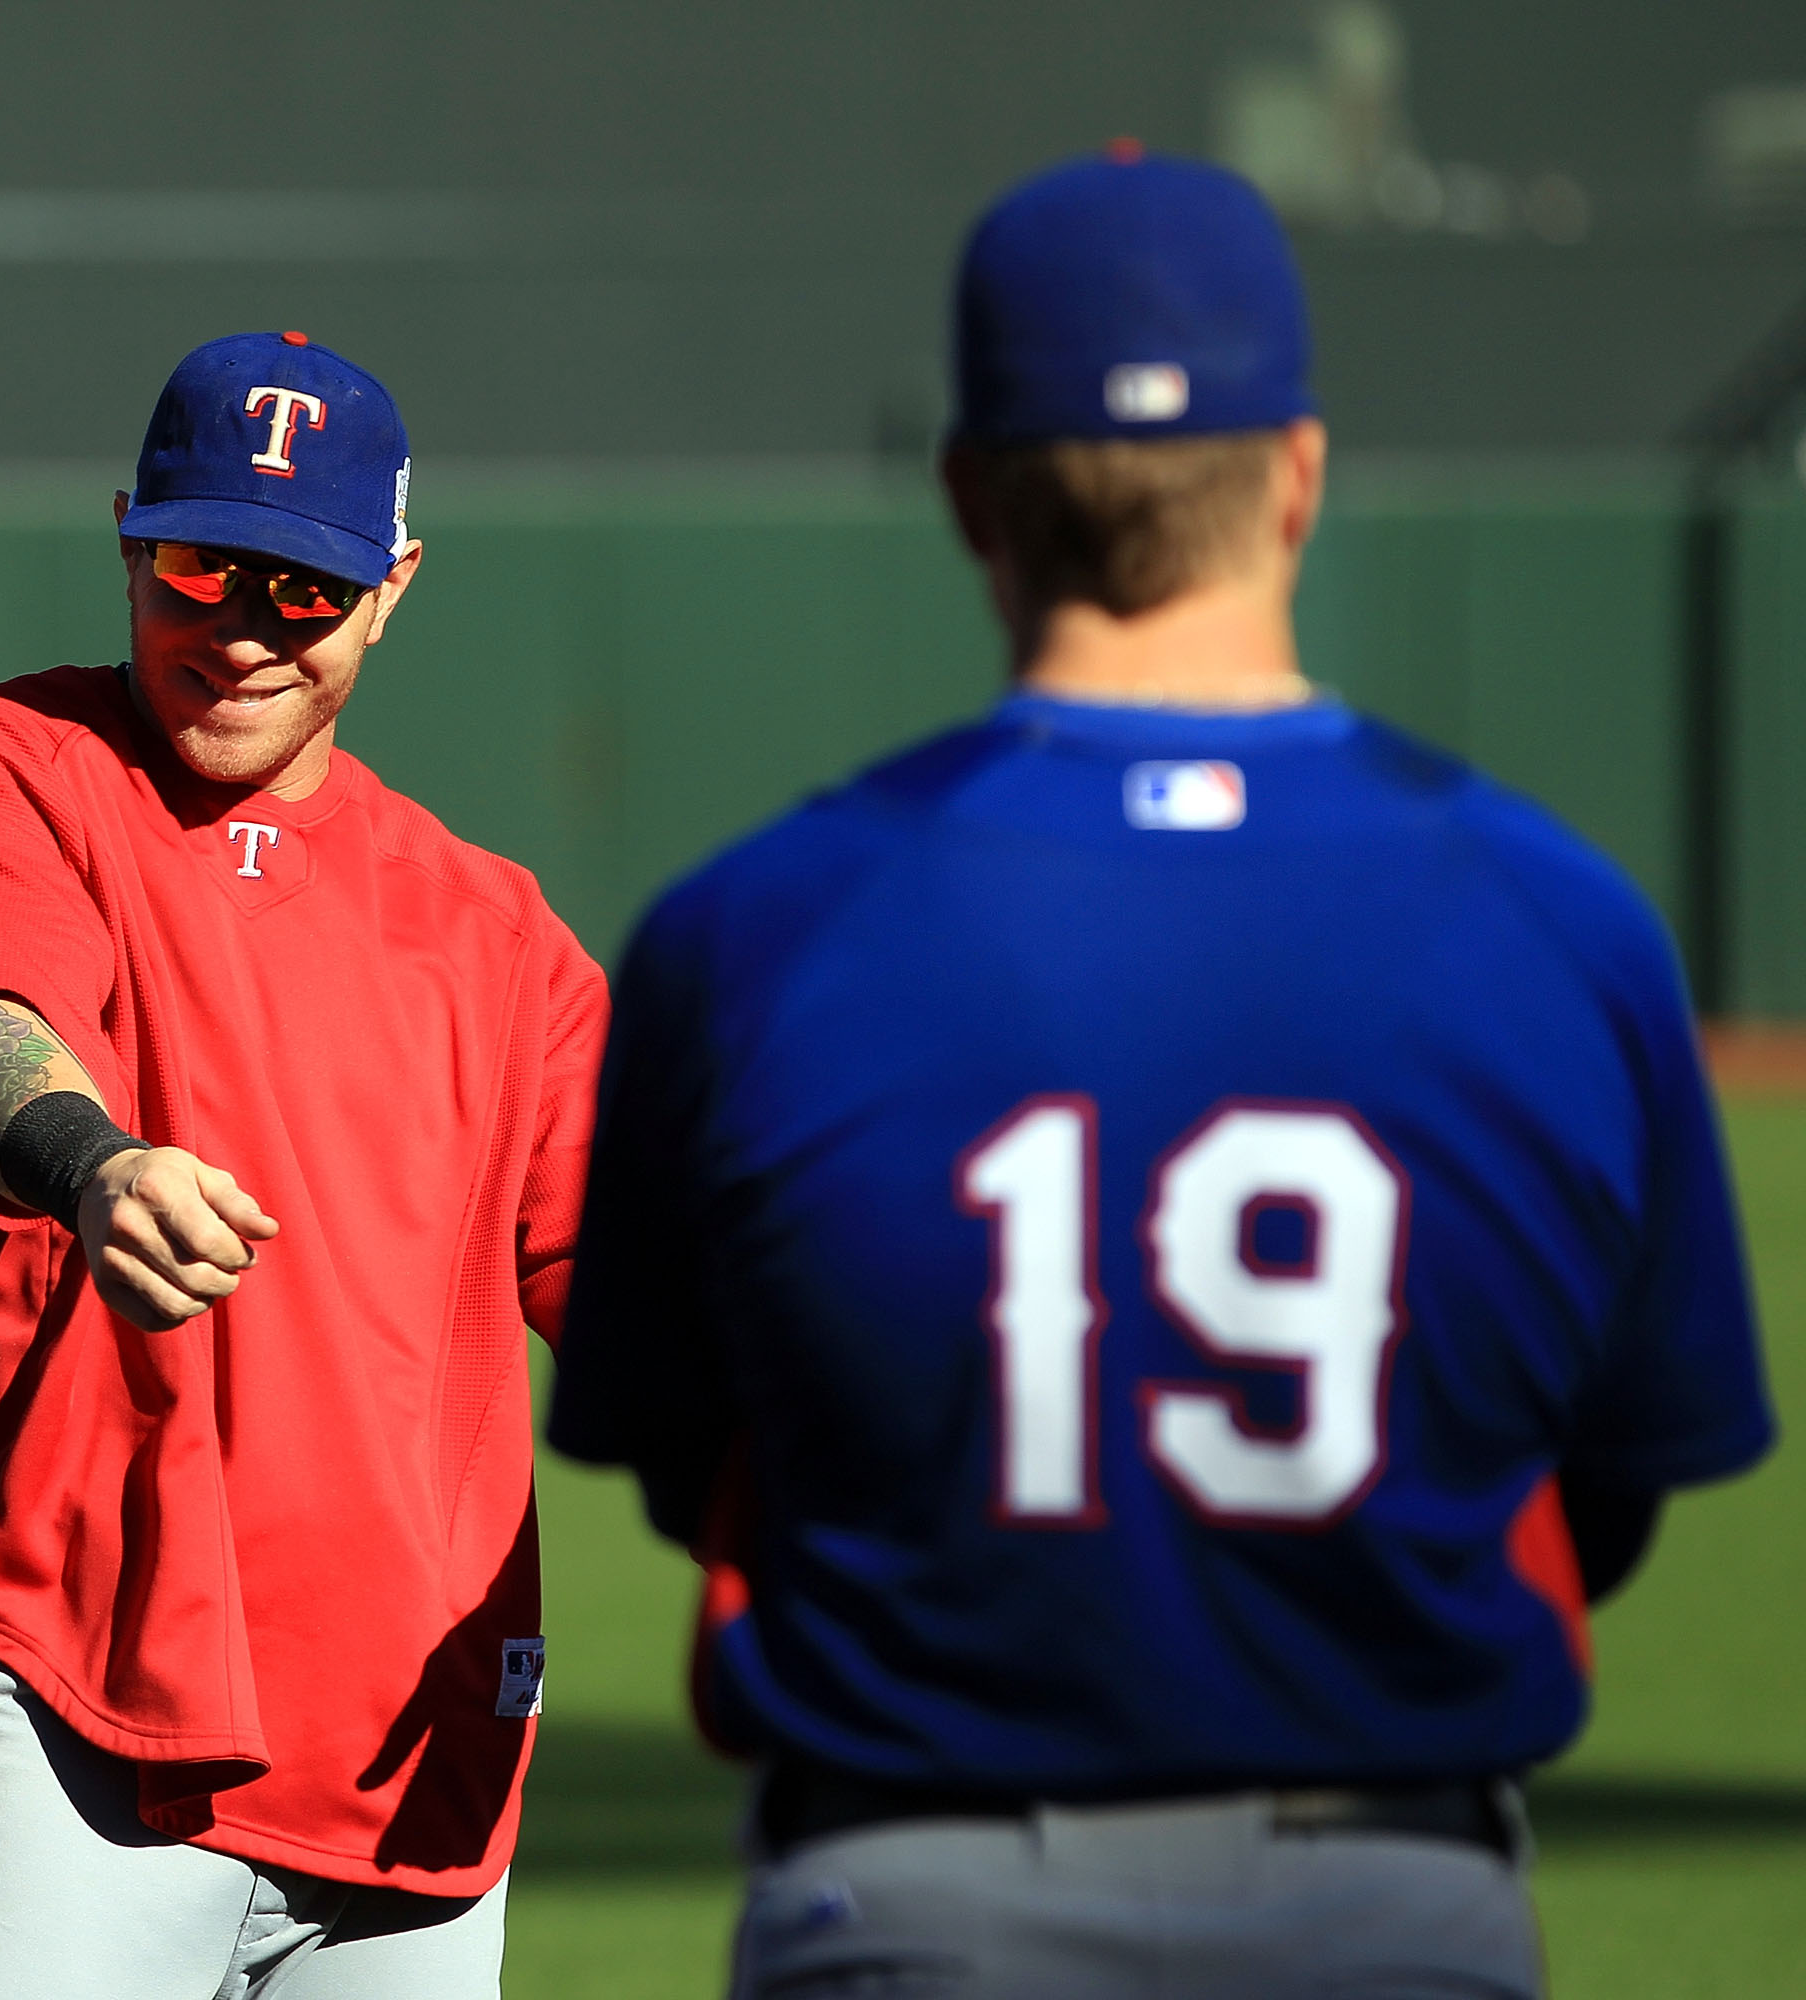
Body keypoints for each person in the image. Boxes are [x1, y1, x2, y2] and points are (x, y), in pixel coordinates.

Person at [550, 152, 1776, 2000]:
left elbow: (686, 1457)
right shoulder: (1562, 923)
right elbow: (1610, 1485)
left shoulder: (751, 930)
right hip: (1397, 1908)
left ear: (971, 496)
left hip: (914, 1902)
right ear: (1299, 475)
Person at [0, 330, 608, 1997]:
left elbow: (643, 1291)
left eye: (307, 591)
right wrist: (91, 1162)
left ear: (395, 586)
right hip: (69, 1720)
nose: (245, 631)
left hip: (415, 1783)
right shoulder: (9, 764)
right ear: (129, 537)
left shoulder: (501, 936)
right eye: (202, 568)